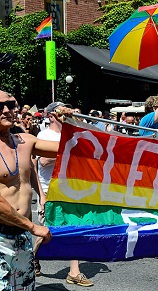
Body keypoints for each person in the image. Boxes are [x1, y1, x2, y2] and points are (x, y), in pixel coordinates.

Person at [0, 90, 72, 290]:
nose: (7, 110)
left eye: (11, 105)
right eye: (0, 107)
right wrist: (32, 227)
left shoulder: (25, 141)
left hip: (22, 236)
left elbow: (70, 148)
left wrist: (68, 123)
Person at [33, 101, 94, 287]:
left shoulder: (72, 134)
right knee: (47, 231)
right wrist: (66, 153)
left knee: (73, 227)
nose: (65, 114)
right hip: (49, 189)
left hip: (69, 190)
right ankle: (31, 258)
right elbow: (42, 162)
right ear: (51, 115)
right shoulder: (44, 135)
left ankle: (74, 272)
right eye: (61, 111)